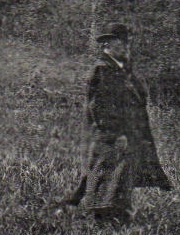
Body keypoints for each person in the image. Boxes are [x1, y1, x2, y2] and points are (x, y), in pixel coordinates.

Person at [66, 22, 170, 223]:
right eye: (121, 42)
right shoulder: (103, 69)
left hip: (128, 134)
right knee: (106, 176)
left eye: (127, 42)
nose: (126, 46)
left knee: (119, 177)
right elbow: (99, 106)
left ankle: (113, 216)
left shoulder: (121, 69)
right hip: (112, 136)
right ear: (108, 44)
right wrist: (116, 133)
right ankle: (102, 218)